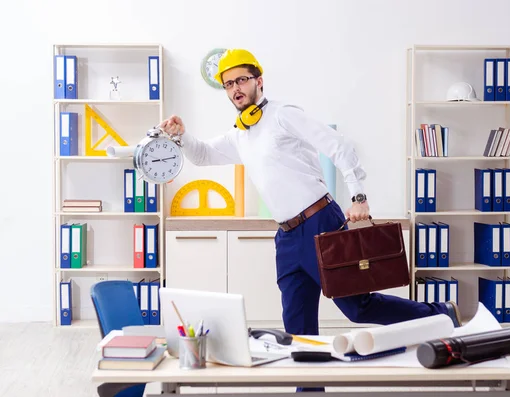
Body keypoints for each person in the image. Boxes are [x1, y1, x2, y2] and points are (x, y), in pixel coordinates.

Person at [159, 49, 461, 384]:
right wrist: (181, 136)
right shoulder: (240, 134)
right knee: (298, 326)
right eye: (228, 84)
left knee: (358, 308)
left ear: (258, 81)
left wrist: (358, 195)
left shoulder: (283, 115)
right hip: (286, 237)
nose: (235, 89)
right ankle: (309, 389)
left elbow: (338, 146)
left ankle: (441, 316)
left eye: (241, 79)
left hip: (321, 224)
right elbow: (201, 155)